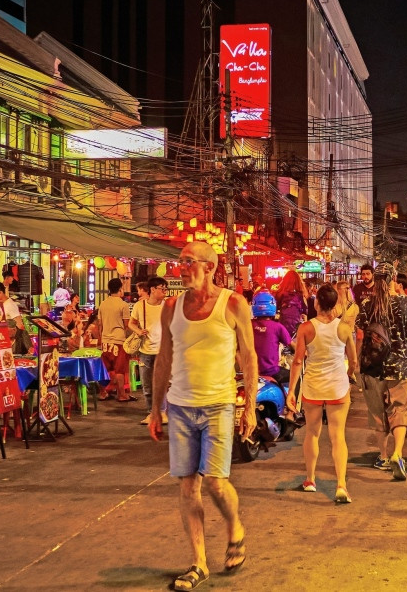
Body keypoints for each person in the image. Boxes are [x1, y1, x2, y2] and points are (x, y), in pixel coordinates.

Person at [148, 242, 257, 592]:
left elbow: (249, 356)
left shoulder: (234, 304)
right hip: (179, 407)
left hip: (219, 405)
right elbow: (163, 358)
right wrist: (155, 408)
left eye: (188, 262)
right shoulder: (170, 307)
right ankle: (198, 563)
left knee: (215, 482)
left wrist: (250, 405)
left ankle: (235, 527)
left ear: (209, 267)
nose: (181, 268)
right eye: (179, 262)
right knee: (187, 485)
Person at [287, 284, 358, 503]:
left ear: (317, 303)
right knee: (338, 437)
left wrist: (291, 390)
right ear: (336, 303)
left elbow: (298, 360)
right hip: (337, 386)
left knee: (312, 433)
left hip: (313, 386)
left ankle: (310, 480)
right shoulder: (344, 328)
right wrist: (348, 374)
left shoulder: (306, 328)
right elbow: (353, 360)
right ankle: (341, 486)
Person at [355, 262, 407, 481]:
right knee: (400, 410)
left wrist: (356, 365)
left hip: (373, 368)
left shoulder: (366, 303)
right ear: (394, 279)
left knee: (378, 414)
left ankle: (382, 457)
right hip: (399, 367)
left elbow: (360, 336)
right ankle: (397, 453)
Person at [130, 276, 168, 424]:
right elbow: (132, 323)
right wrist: (138, 331)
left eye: (166, 289)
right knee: (147, 384)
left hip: (162, 350)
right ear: (152, 290)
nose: (165, 292)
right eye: (162, 289)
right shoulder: (141, 306)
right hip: (145, 350)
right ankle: (151, 413)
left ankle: (163, 412)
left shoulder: (167, 306)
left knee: (162, 383)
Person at [93, 278, 135, 402]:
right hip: (119, 340)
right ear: (120, 289)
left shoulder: (103, 304)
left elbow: (99, 325)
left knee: (105, 368)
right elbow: (127, 325)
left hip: (106, 340)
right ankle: (121, 394)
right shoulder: (123, 305)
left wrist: (101, 340)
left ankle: (103, 393)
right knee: (120, 369)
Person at [251, 291, 293, 387]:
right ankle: (290, 400)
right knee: (295, 376)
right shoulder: (277, 327)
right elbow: (291, 345)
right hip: (271, 371)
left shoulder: (248, 325)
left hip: (251, 371)